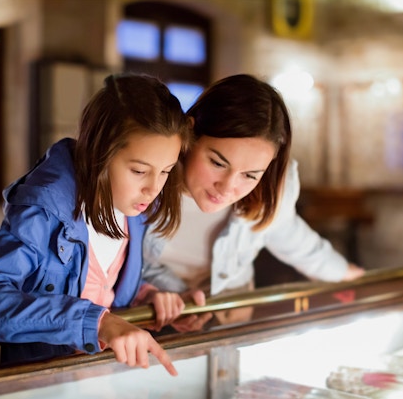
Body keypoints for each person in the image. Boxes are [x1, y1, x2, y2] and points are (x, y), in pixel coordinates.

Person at [0, 73, 191, 375]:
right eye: (138, 170)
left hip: (88, 379)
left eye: (165, 172)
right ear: (99, 153)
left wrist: (147, 295)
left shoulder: (136, 211)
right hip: (27, 384)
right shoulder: (44, 212)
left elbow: (100, 289)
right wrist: (96, 322)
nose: (153, 188)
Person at [142, 74, 365, 331]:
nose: (227, 187)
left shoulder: (270, 189)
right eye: (217, 163)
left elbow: (291, 236)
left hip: (228, 317)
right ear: (190, 133)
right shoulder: (148, 176)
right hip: (150, 315)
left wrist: (343, 273)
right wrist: (170, 295)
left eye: (250, 175)